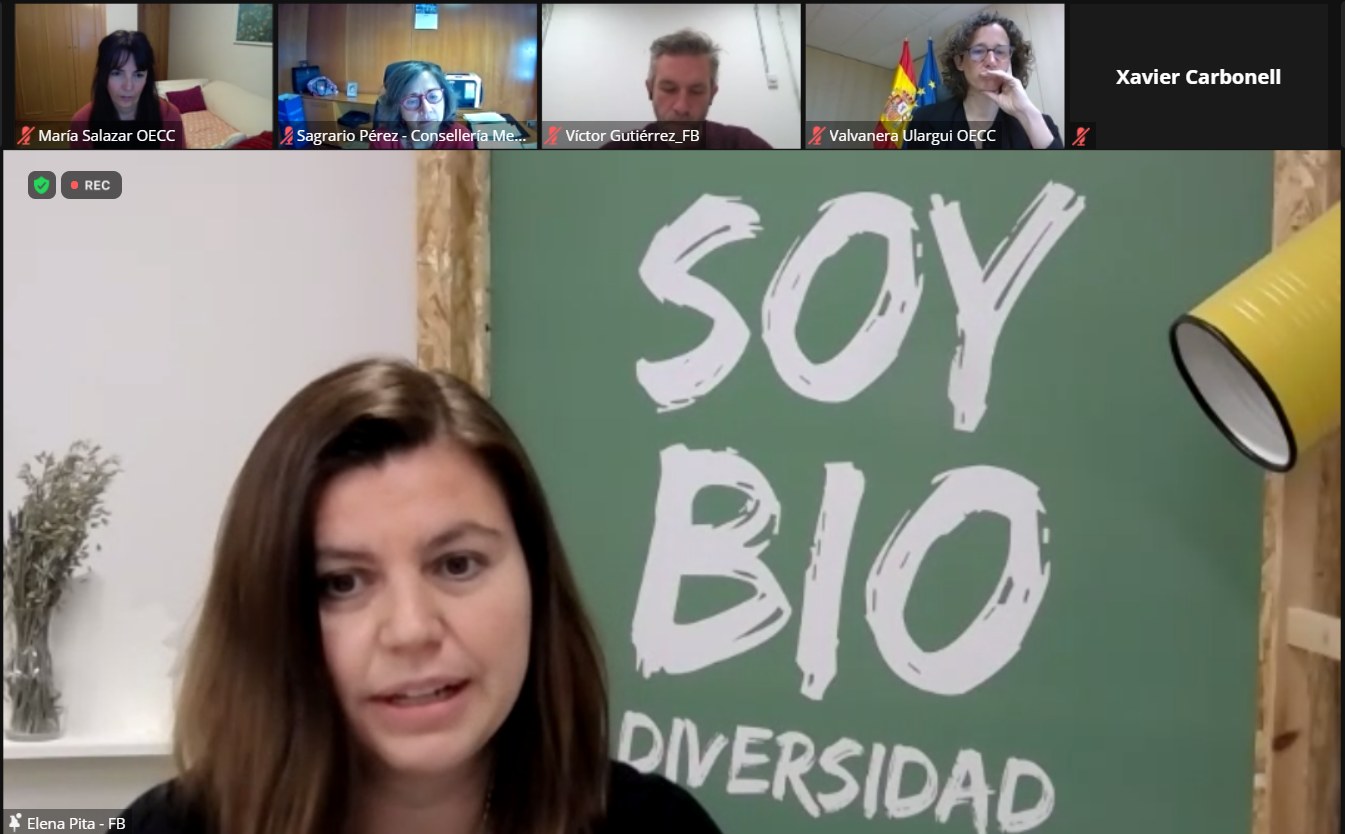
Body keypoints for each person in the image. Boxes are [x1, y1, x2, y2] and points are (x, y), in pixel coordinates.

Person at [117, 358, 724, 834]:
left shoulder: (657, 827)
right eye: (342, 583)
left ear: (536, 580)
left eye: (458, 565)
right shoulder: (164, 828)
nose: (411, 629)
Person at [902, 11, 1061, 150]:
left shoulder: (1039, 124)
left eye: (1000, 51)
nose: (991, 61)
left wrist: (1025, 112)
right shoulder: (923, 120)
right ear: (960, 62)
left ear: (1010, 61)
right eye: (978, 51)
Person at [601, 29, 772, 149]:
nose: (681, 107)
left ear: (712, 95)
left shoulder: (742, 146)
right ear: (650, 90)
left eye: (696, 91)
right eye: (669, 89)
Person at [70, 30, 186, 150]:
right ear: (103, 76)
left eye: (138, 75)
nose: (128, 87)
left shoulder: (170, 117)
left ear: (147, 78)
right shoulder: (81, 123)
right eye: (117, 73)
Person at [371, 61, 476, 149]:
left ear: (445, 98)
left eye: (433, 96)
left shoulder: (461, 138)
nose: (426, 109)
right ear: (397, 109)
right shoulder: (382, 141)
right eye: (412, 101)